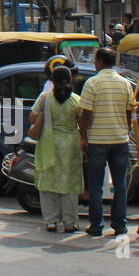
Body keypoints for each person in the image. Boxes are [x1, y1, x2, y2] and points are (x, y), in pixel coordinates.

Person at [78, 47, 135, 237]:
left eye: (95, 60)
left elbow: (86, 113)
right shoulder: (125, 84)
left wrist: (83, 137)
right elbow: (129, 112)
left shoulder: (92, 83)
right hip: (120, 140)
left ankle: (97, 225)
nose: (94, 63)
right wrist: (126, 131)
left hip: (97, 140)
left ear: (101, 61)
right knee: (120, 184)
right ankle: (120, 224)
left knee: (95, 185)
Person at [31, 65, 83, 233]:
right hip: (70, 146)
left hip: (48, 143)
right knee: (69, 184)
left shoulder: (45, 98)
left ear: (52, 81)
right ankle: (70, 222)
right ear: (70, 80)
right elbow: (83, 122)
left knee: (47, 183)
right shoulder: (76, 99)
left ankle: (51, 221)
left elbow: (32, 117)